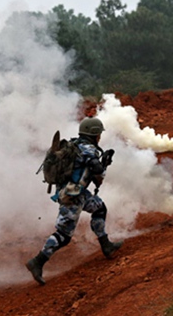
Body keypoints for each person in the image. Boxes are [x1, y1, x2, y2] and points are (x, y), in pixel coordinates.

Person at [26, 117, 123, 285]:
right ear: (94, 134)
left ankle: (106, 245)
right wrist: (104, 165)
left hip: (75, 192)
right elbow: (98, 175)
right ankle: (37, 262)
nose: (100, 137)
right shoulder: (89, 150)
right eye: (98, 134)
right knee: (63, 235)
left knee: (99, 208)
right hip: (72, 196)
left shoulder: (75, 145)